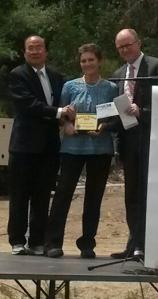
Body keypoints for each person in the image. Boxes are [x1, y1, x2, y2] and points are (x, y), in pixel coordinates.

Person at [45, 43, 118, 258]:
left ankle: (87, 243)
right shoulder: (70, 86)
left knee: (93, 198)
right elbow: (62, 115)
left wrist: (105, 126)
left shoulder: (111, 88)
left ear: (99, 61)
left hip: (100, 149)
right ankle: (54, 242)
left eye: (91, 60)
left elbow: (114, 118)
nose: (87, 64)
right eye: (83, 60)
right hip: (72, 149)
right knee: (62, 195)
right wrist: (66, 125)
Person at [7, 35, 74, 255]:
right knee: (19, 195)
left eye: (39, 48)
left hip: (49, 146)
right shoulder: (18, 75)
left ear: (45, 51)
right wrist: (58, 113)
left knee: (42, 195)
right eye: (30, 48)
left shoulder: (56, 76)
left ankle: (37, 241)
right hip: (24, 146)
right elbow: (28, 105)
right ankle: (17, 240)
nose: (35, 52)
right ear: (24, 52)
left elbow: (66, 101)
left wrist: (69, 115)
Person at [110, 28, 158, 259]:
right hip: (128, 142)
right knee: (131, 195)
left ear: (139, 42)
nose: (125, 50)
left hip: (152, 140)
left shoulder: (157, 66)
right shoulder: (117, 73)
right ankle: (133, 243)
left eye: (128, 45)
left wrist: (142, 111)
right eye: (120, 47)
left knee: (147, 194)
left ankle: (145, 245)